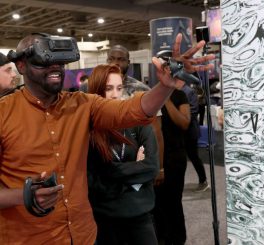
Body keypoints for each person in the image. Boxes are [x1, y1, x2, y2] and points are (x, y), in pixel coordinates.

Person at [0, 32, 214, 244]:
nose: (55, 68)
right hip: (28, 237)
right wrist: (23, 196)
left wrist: (166, 84)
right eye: (43, 62)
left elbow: (133, 110)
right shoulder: (3, 113)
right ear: (21, 65)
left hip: (83, 235)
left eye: (59, 62)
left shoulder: (82, 104)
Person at [87, 64, 159, 245]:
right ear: (96, 90)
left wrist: (110, 173)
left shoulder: (137, 122)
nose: (115, 95)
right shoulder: (88, 131)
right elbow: (92, 181)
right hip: (105, 219)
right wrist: (135, 170)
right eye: (108, 89)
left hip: (140, 214)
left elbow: (151, 167)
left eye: (119, 88)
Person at [107, 45, 164, 185]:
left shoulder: (142, 90)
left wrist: (160, 167)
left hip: (136, 162)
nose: (116, 63)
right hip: (104, 163)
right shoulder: (94, 89)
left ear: (128, 63)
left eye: (121, 59)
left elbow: (156, 131)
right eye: (112, 59)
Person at [160, 88, 190, 245]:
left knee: (173, 201)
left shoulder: (179, 95)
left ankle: (178, 239)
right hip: (157, 158)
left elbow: (184, 123)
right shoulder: (152, 94)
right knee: (158, 203)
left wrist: (166, 99)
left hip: (175, 157)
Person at [175, 79, 209, 192]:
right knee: (181, 158)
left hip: (190, 131)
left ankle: (203, 181)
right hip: (180, 131)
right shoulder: (176, 90)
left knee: (194, 156)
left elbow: (194, 110)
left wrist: (179, 113)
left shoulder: (189, 91)